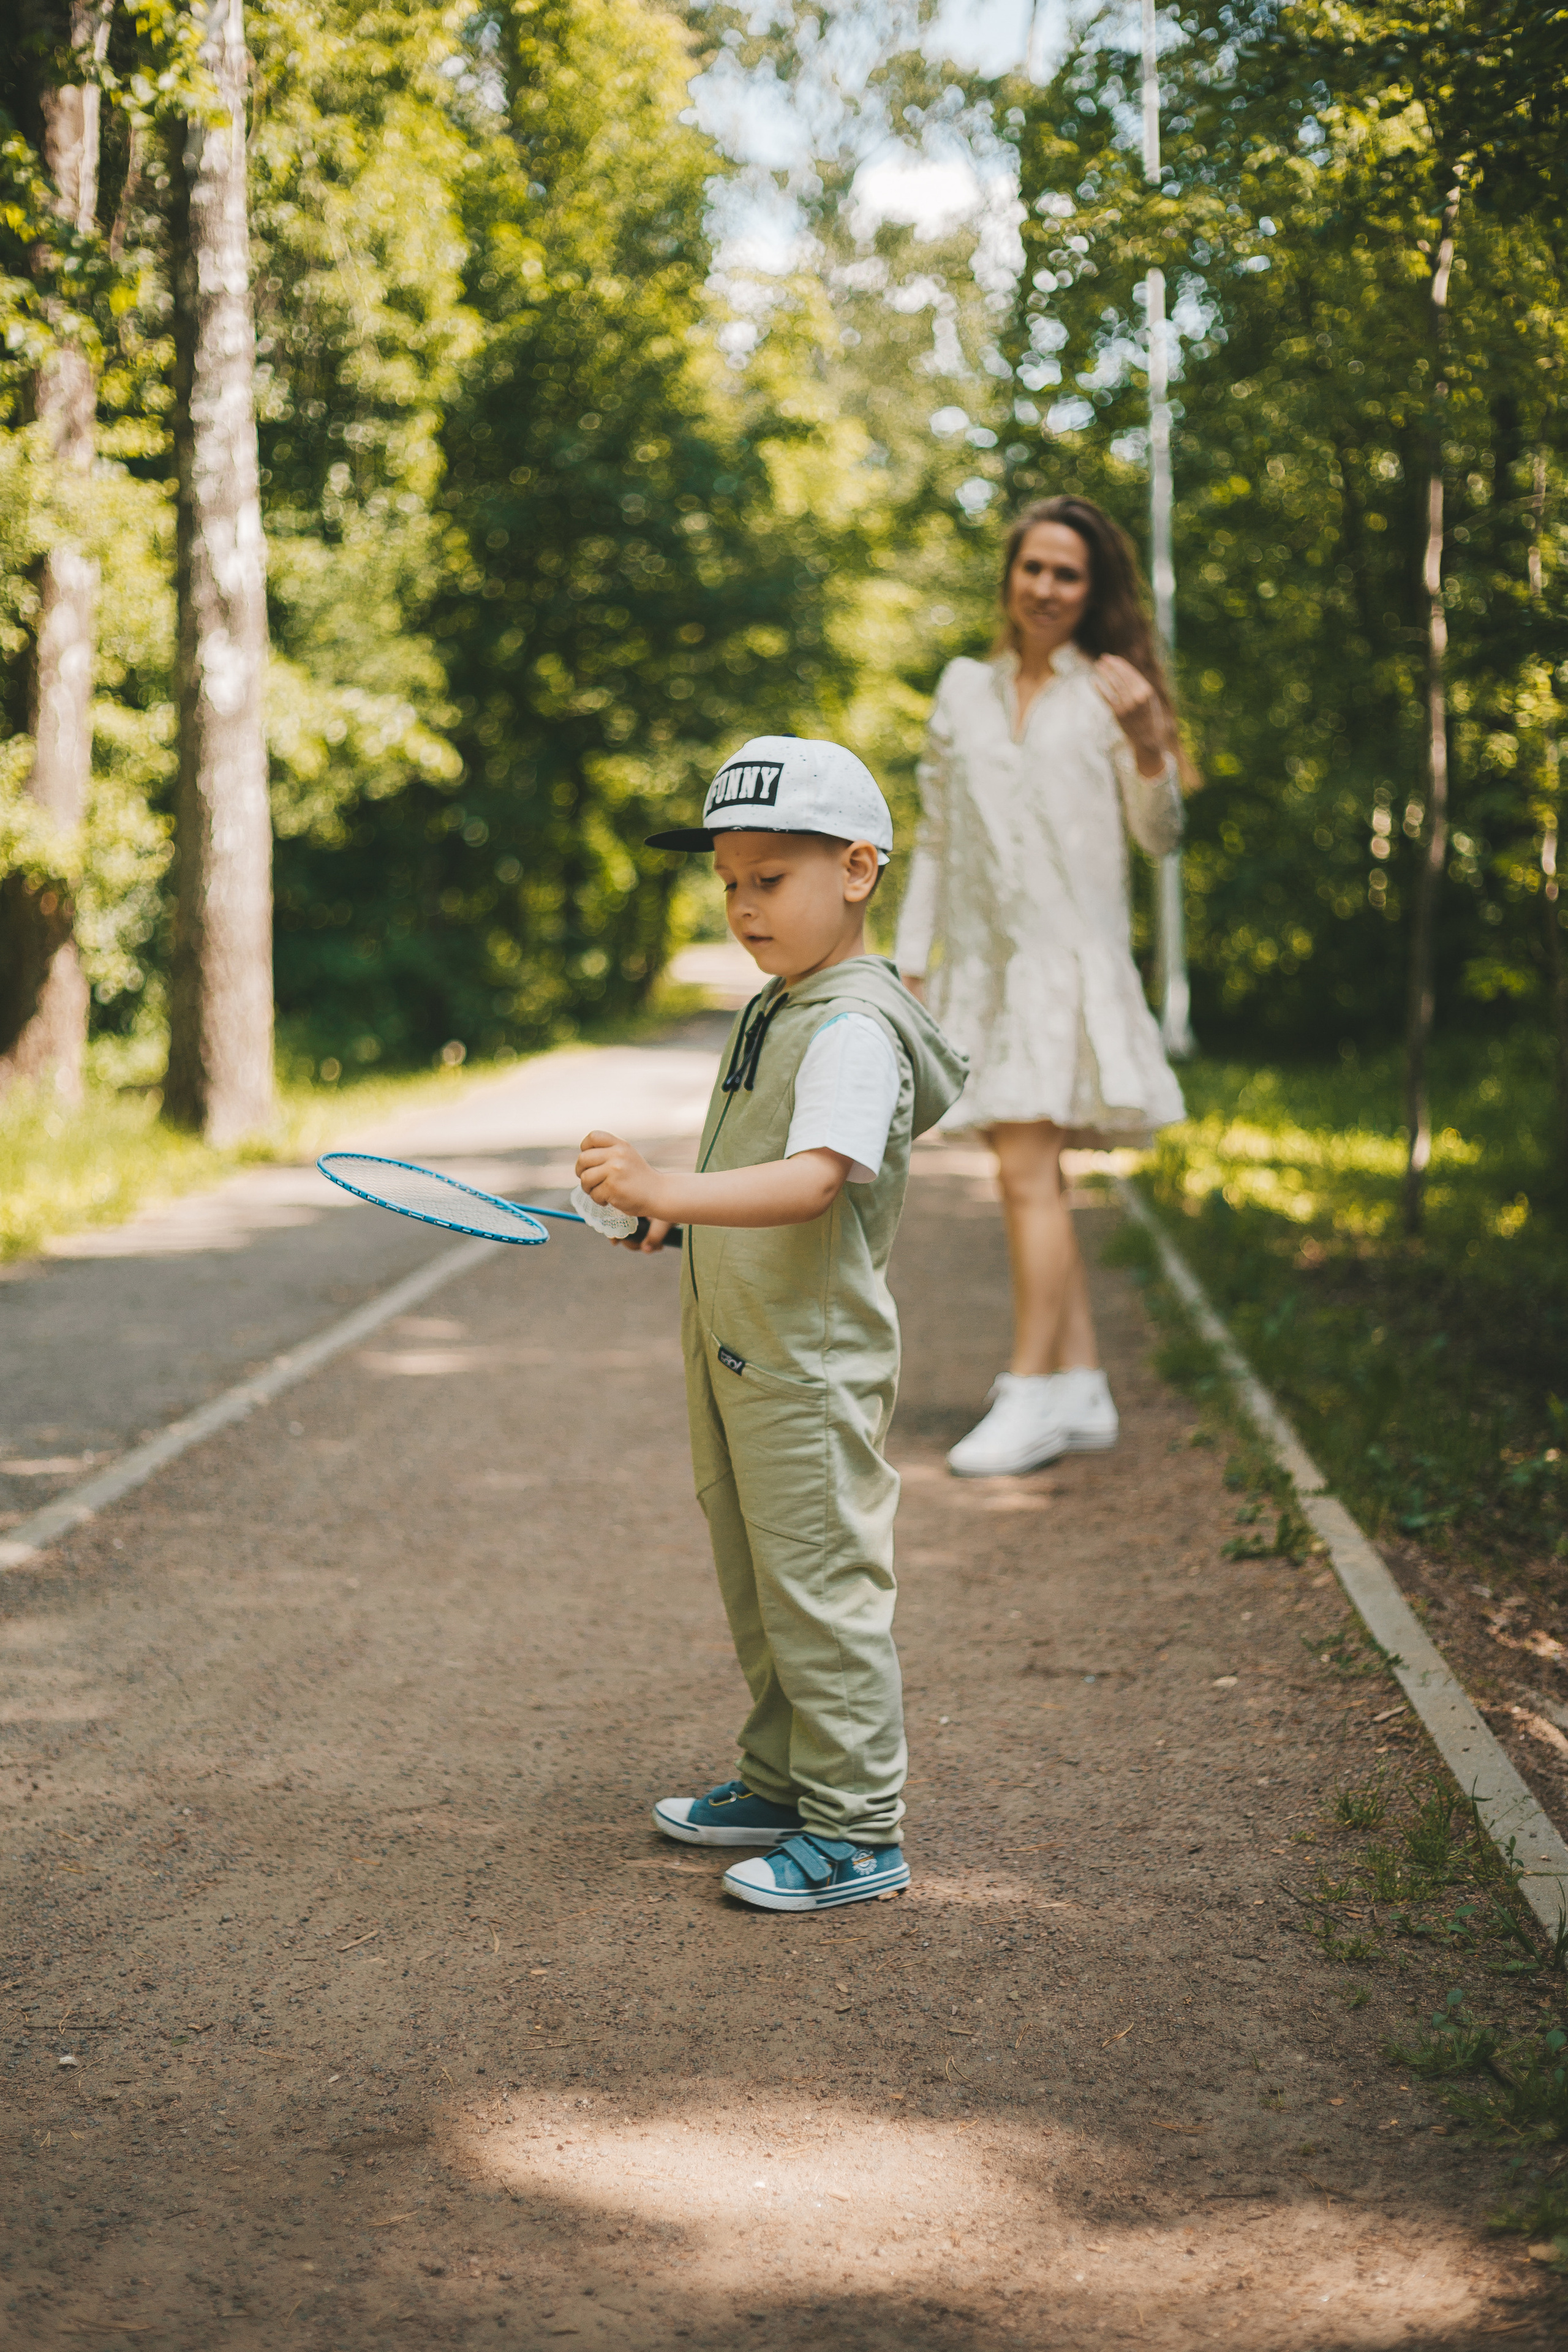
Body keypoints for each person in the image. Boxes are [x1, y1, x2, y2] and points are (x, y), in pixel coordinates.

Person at [575, 737, 968, 1915]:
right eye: (730, 881)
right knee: (759, 1579)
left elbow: (812, 1181)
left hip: (806, 1367)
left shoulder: (850, 1026)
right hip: (741, 1349)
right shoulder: (783, 1003)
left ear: (857, 870)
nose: (745, 905)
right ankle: (785, 1780)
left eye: (771, 879)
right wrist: (676, 1227)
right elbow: (754, 1177)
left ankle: (858, 1832)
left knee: (822, 1590)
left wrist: (661, 1191)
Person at [894, 494, 1189, 1479]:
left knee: (1024, 1172)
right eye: (1035, 569)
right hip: (986, 964)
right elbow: (934, 835)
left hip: (1073, 966)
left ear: (1092, 590)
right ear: (1010, 577)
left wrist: (1151, 742)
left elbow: (1161, 837)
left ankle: (1031, 1391)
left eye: (1069, 574)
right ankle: (1086, 1383)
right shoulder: (961, 689)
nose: (1049, 589)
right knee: (1036, 1174)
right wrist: (913, 957)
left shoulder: (1115, 691)